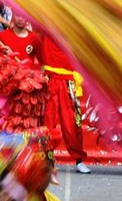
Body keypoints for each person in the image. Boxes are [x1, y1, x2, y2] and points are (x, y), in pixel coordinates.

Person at [39, 34, 92, 174]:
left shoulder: (71, 30)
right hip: (50, 80)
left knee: (72, 125)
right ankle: (45, 159)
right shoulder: (45, 27)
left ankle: (79, 160)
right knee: (47, 123)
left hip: (68, 82)